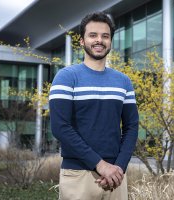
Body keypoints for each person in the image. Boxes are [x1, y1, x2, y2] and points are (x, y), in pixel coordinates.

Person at [49, 12, 139, 200]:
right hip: (78, 176)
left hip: (116, 177)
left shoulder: (123, 82)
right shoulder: (66, 77)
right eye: (93, 35)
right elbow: (60, 128)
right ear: (82, 41)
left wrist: (118, 168)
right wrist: (100, 165)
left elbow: (131, 127)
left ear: (111, 42)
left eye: (105, 36)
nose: (99, 40)